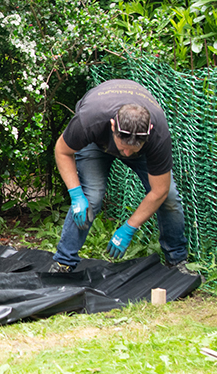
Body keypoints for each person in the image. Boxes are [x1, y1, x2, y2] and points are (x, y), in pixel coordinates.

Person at [49, 78, 194, 274]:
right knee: (90, 199)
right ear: (112, 126)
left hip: (142, 149)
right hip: (96, 143)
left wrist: (129, 227)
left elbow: (160, 191)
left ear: (148, 132)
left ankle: (176, 260)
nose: (126, 154)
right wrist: (76, 194)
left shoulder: (158, 135)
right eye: (123, 148)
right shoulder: (90, 119)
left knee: (169, 198)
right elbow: (62, 150)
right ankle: (63, 263)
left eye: (132, 149)